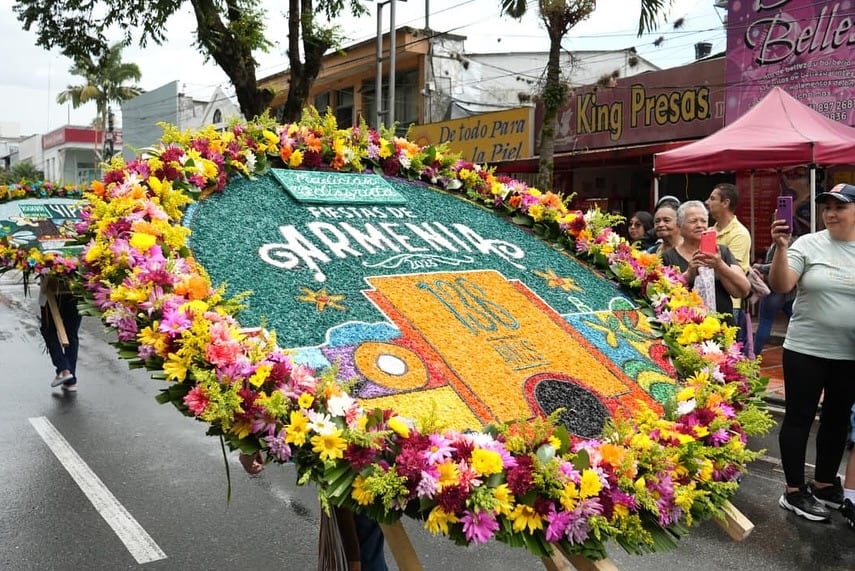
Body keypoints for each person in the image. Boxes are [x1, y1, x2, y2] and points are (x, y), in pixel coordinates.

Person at [769, 183, 855, 522]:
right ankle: (793, 491)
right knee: (800, 417)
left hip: (849, 352)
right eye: (827, 207)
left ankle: (822, 484)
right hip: (806, 348)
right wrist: (780, 248)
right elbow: (781, 285)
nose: (831, 213)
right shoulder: (808, 243)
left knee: (836, 419)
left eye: (840, 207)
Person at [239, 451, 388, 571]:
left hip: (357, 458)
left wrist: (249, 447)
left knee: (363, 548)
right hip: (351, 456)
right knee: (365, 546)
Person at [661, 201, 750, 325]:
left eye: (703, 221)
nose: (699, 225)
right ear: (679, 226)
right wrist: (688, 275)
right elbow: (662, 296)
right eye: (693, 221)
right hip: (683, 330)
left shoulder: (721, 252)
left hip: (723, 329)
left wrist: (719, 265)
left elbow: (743, 290)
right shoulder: (667, 257)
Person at [751, 238, 795, 355]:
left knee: (765, 322)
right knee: (796, 321)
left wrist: (760, 267)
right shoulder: (794, 242)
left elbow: (782, 264)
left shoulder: (784, 242)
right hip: (789, 292)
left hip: (774, 290)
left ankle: (754, 355)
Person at [39, 275, 82, 392]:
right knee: (71, 334)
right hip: (77, 288)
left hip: (53, 289)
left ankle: (64, 369)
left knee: (48, 329)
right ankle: (69, 380)